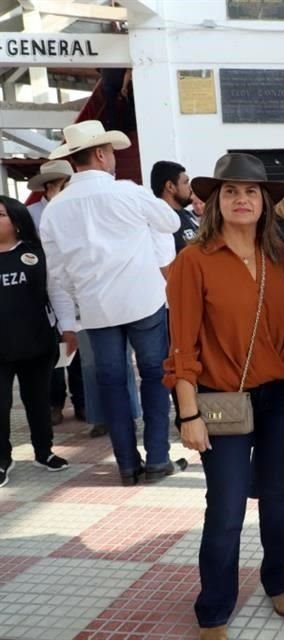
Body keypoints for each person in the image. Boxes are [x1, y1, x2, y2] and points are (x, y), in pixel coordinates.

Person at [165, 153, 284, 640]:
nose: (242, 199)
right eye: (230, 191)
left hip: (283, 394)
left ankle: (277, 576)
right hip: (220, 397)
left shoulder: (281, 255)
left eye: (251, 191)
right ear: (214, 202)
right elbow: (182, 344)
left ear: (266, 201)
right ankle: (215, 606)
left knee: (277, 497)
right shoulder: (193, 261)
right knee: (225, 505)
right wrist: (188, 414)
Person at [39, 120, 181, 486]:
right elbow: (168, 222)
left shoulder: (55, 208)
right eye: (112, 152)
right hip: (144, 300)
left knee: (113, 385)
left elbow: (56, 274)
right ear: (100, 154)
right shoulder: (128, 192)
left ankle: (127, 466)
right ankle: (158, 458)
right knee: (154, 378)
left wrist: (69, 319)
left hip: (96, 309)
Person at [0, 196, 74, 488]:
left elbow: (57, 293)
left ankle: (44, 452)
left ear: (17, 221)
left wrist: (68, 328)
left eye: (1, 215)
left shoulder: (36, 255)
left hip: (36, 344)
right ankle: (3, 459)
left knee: (38, 401)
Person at [27, 160, 84, 426]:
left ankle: (83, 403)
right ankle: (54, 403)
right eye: (63, 186)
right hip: (43, 293)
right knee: (53, 354)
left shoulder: (76, 212)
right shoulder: (30, 215)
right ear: (49, 187)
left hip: (75, 287)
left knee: (78, 353)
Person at [151, 160, 198, 254]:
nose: (190, 187)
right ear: (170, 186)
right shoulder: (160, 221)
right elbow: (166, 266)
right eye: (185, 182)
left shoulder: (187, 214)